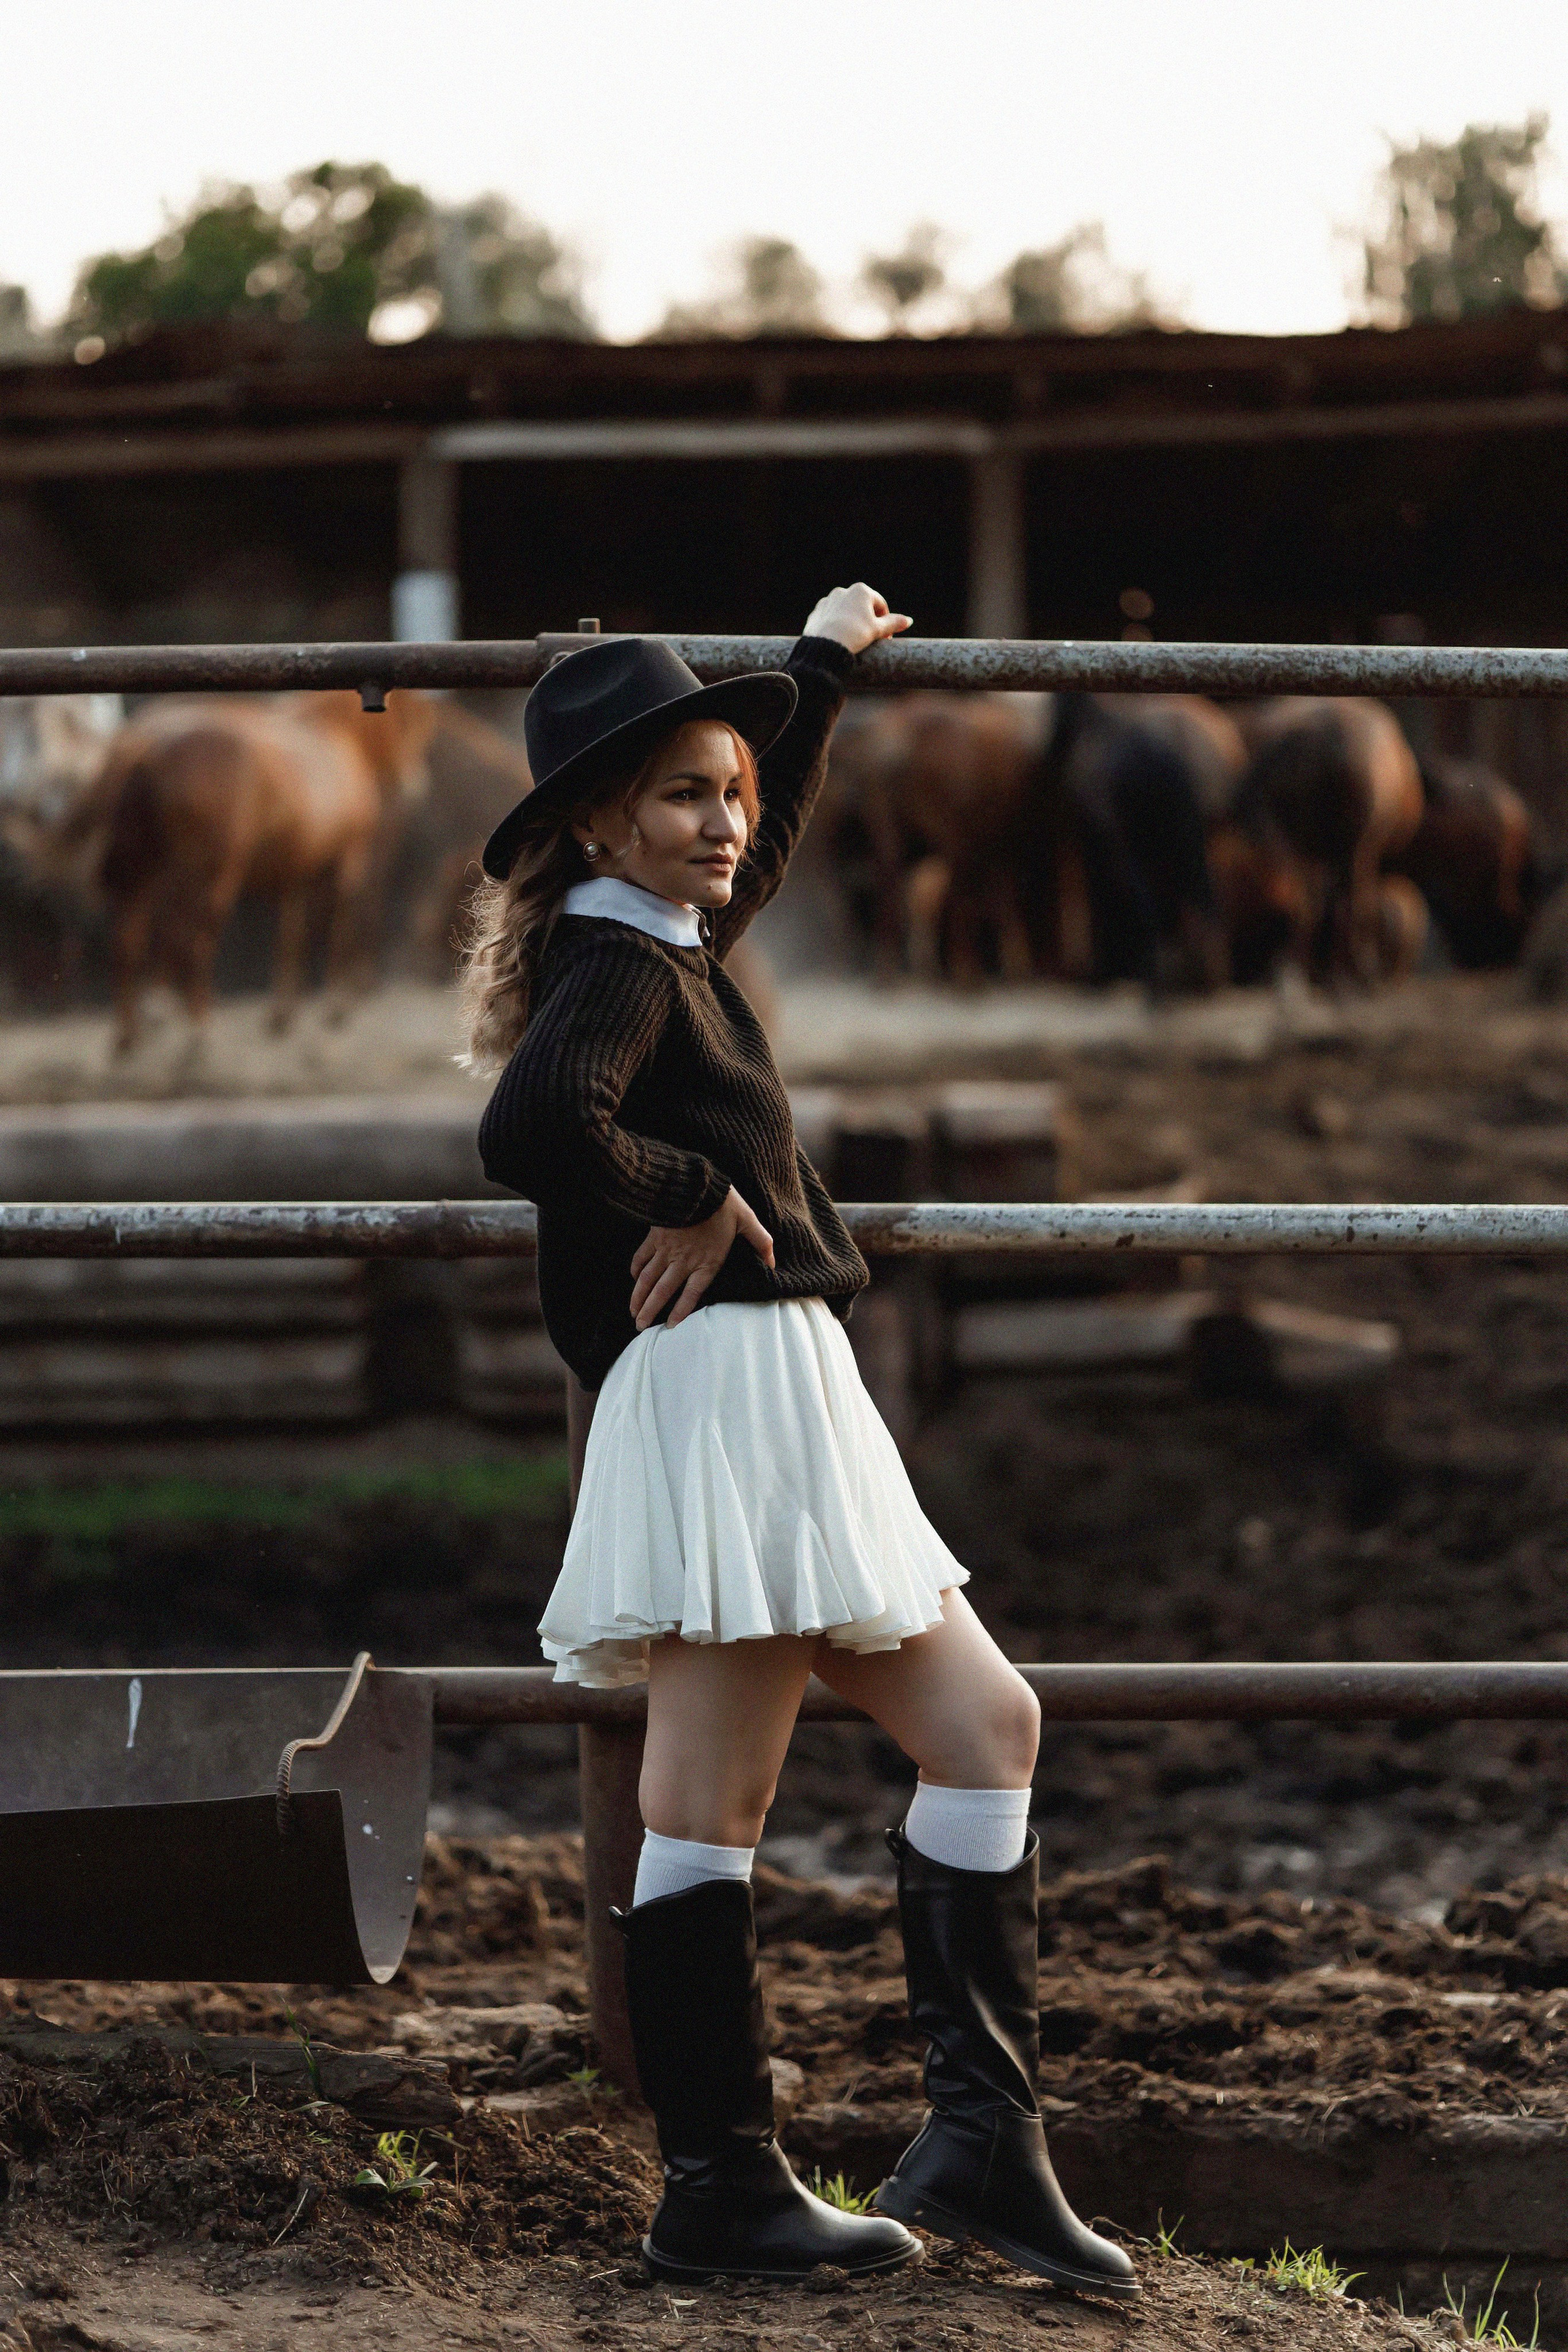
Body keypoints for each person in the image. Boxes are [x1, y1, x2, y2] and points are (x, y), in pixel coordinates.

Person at [464, 584, 1137, 2298]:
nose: (727, 821)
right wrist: (702, 1195)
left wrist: (818, 675)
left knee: (986, 1725)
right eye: (688, 792)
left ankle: (977, 2149)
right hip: (724, 1395)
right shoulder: (615, 965)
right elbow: (537, 1120)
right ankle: (723, 2187)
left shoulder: (662, 936)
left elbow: (747, 869)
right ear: (600, 821)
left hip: (772, 1389)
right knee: (717, 1797)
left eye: (735, 790)